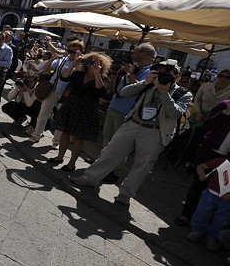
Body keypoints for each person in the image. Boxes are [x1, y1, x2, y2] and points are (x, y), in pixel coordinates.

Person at [71, 62, 192, 206]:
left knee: (142, 165)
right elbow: (123, 92)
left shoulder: (183, 93)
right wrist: (146, 82)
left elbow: (175, 113)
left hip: (155, 132)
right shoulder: (148, 84)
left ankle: (125, 194)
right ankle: (89, 178)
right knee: (110, 152)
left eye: (166, 74)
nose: (162, 77)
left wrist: (165, 93)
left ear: (177, 77)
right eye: (159, 73)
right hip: (132, 124)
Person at [48, 52, 112, 172]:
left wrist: (97, 73)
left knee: (77, 138)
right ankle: (59, 157)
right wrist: (73, 65)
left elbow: (101, 89)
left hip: (87, 109)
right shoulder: (78, 73)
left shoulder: (104, 78)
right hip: (72, 104)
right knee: (65, 133)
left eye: (96, 61)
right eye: (90, 60)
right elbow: (63, 77)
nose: (91, 63)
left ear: (101, 65)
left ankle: (71, 164)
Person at [173, 99, 230, 226]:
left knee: (219, 190)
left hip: (227, 158)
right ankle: (186, 215)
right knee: (199, 183)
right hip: (209, 152)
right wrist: (225, 113)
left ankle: (204, 223)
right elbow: (208, 125)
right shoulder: (224, 105)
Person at [28, 38, 85, 143]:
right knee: (43, 114)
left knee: (61, 118)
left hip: (68, 94)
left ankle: (57, 140)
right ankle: (36, 135)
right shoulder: (62, 60)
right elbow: (46, 70)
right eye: (71, 51)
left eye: (75, 51)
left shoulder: (83, 64)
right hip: (53, 89)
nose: (72, 53)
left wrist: (78, 62)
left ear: (80, 52)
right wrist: (51, 60)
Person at [103, 44, 156, 147]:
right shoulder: (135, 68)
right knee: (107, 137)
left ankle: (116, 163)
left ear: (143, 54)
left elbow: (139, 87)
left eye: (134, 53)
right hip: (115, 106)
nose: (132, 55)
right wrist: (121, 72)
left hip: (126, 111)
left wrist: (129, 73)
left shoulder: (150, 72)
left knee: (118, 144)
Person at [185, 157, 230, 251]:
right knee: (202, 213)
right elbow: (201, 167)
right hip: (211, 193)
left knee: (220, 220)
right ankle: (197, 231)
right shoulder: (222, 161)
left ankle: (212, 238)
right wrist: (202, 174)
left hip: (227, 201)